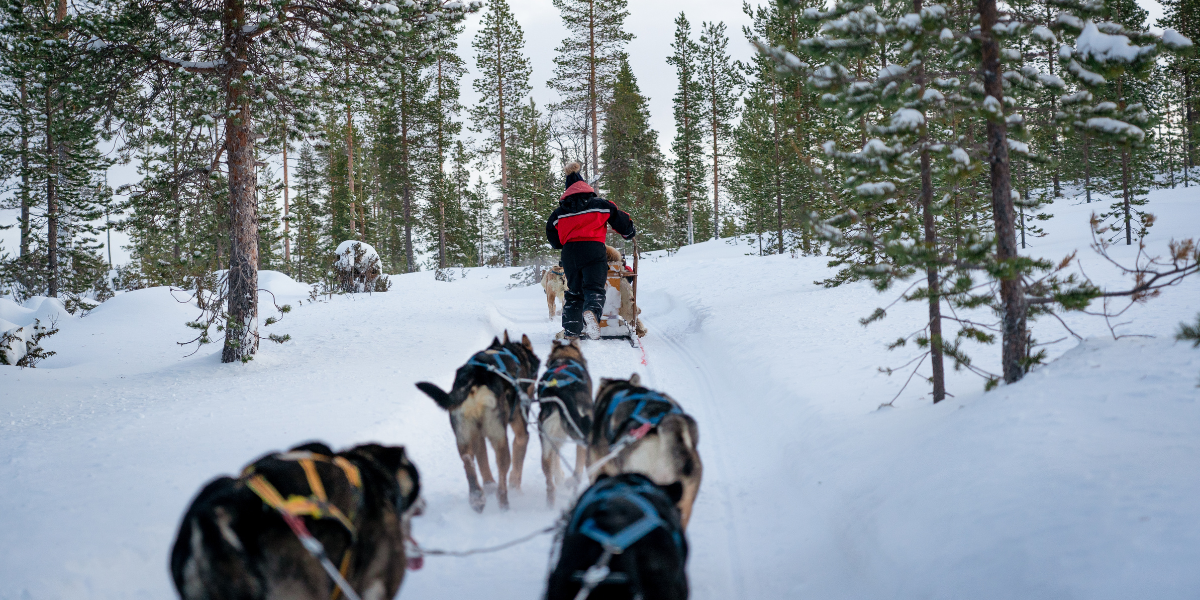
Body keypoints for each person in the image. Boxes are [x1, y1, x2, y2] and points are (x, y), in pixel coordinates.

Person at [546, 162, 636, 340]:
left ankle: (572, 330)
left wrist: (565, 240)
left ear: (567, 191)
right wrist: (629, 232)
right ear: (585, 187)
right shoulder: (600, 204)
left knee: (573, 291)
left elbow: (554, 239)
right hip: (593, 249)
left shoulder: (558, 213)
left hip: (570, 253)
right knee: (594, 288)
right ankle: (592, 313)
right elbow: (622, 221)